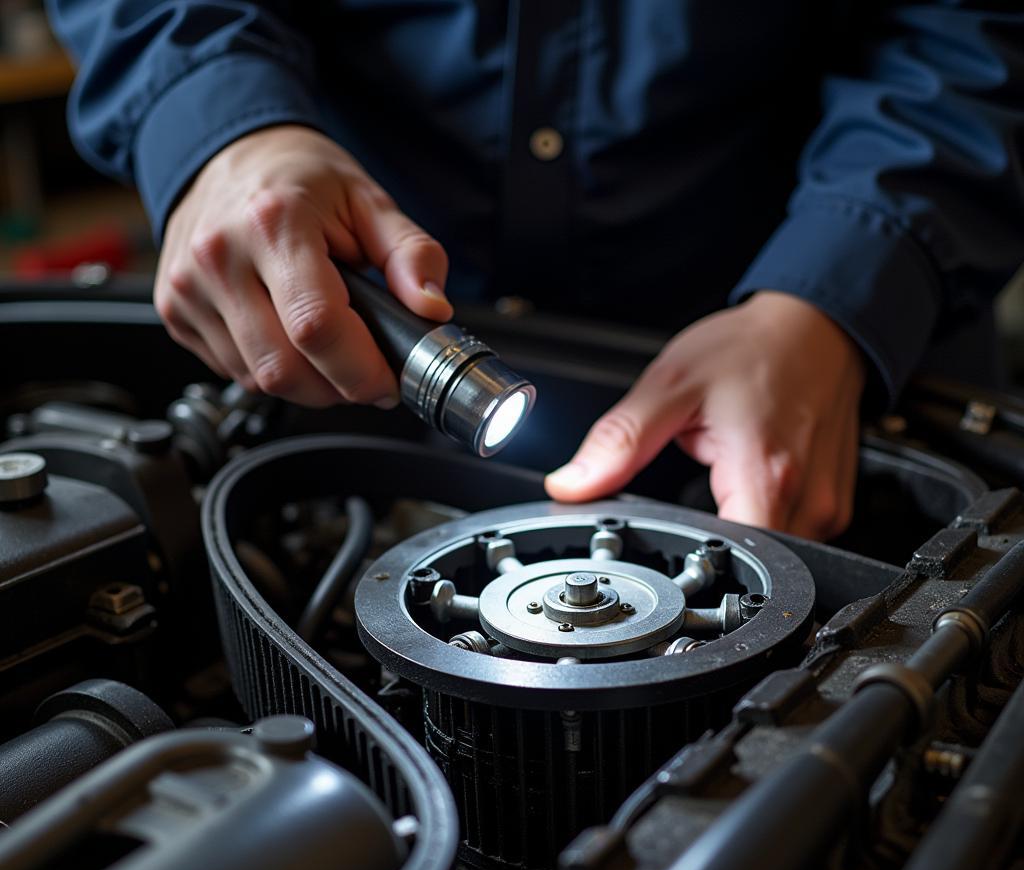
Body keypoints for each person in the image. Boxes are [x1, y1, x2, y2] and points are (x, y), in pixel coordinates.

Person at [47, 2, 1024, 538]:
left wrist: (833, 294)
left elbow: (970, 30)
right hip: (335, 354)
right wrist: (222, 131)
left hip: (806, 377)